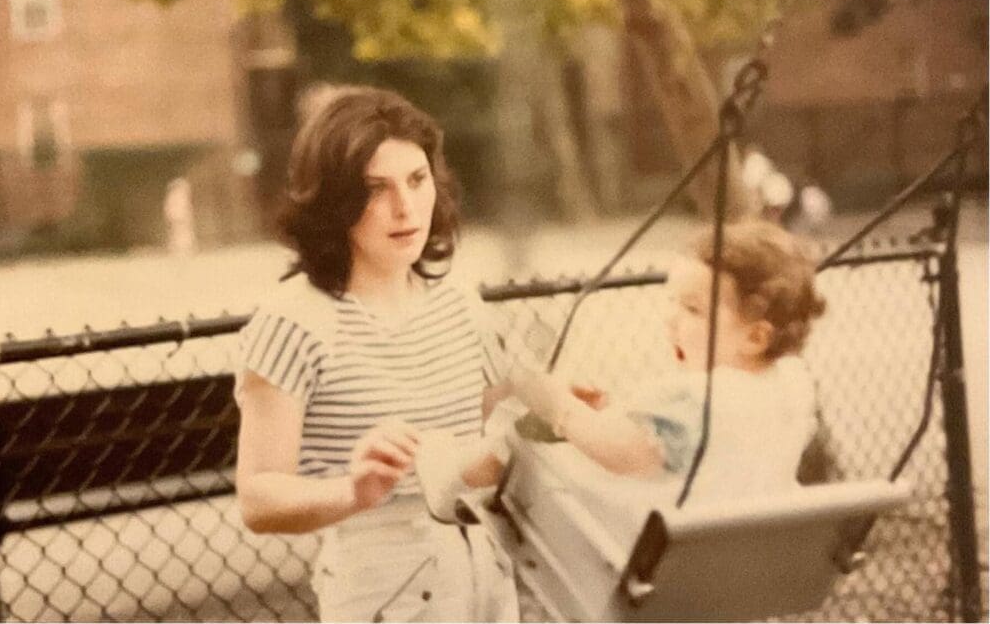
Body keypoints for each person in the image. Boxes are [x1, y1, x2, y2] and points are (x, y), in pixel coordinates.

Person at [234, 84, 518, 622]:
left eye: (416, 180)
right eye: (375, 189)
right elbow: (258, 498)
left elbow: (496, 446)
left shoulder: (463, 303)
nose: (405, 208)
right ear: (334, 200)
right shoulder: (293, 321)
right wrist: (353, 489)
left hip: (488, 579)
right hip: (381, 594)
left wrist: (550, 416)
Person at [418, 219, 827, 513]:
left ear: (756, 337)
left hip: (641, 559)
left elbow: (625, 454)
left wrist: (555, 402)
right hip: (734, 560)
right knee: (569, 437)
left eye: (692, 309)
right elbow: (687, 449)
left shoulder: (697, 400)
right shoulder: (790, 385)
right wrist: (614, 415)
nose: (671, 319)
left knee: (521, 443)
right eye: (673, 302)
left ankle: (453, 480)